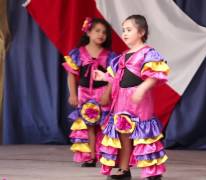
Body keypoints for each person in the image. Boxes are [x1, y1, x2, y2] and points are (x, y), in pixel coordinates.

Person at [94, 15, 170, 180]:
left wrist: (142, 88)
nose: (125, 33)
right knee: (123, 133)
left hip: (139, 102)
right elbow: (117, 78)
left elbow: (155, 75)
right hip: (121, 101)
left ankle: (153, 171)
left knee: (144, 134)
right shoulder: (122, 56)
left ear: (141, 32)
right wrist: (103, 77)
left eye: (129, 30)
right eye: (123, 30)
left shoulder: (148, 53)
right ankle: (124, 169)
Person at [62, 17, 116, 167]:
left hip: (102, 93)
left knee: (105, 126)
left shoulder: (109, 55)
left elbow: (113, 77)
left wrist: (107, 94)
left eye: (104, 32)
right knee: (89, 126)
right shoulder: (77, 53)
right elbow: (71, 75)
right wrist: (73, 94)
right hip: (84, 94)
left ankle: (107, 156)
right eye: (97, 31)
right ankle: (91, 157)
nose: (101, 35)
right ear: (88, 32)